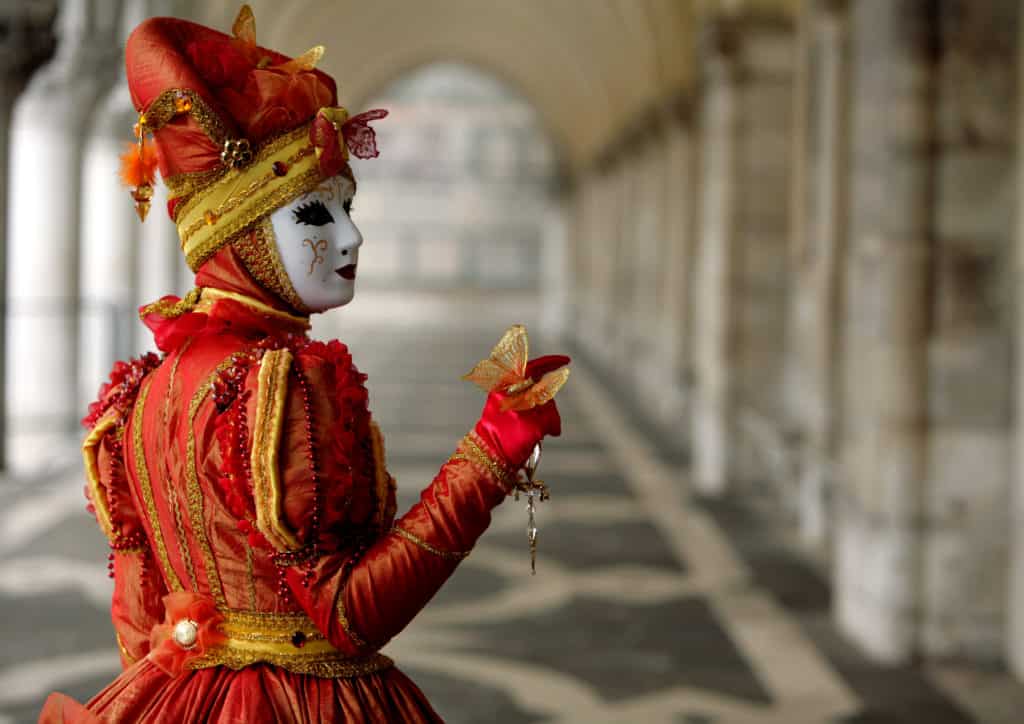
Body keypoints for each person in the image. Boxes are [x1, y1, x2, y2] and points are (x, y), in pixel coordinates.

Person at [40, 6, 568, 722]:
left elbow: (140, 631)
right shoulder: (279, 384)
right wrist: (491, 454)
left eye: (347, 206)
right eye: (316, 216)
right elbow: (350, 617)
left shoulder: (140, 392)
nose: (352, 238)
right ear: (241, 233)